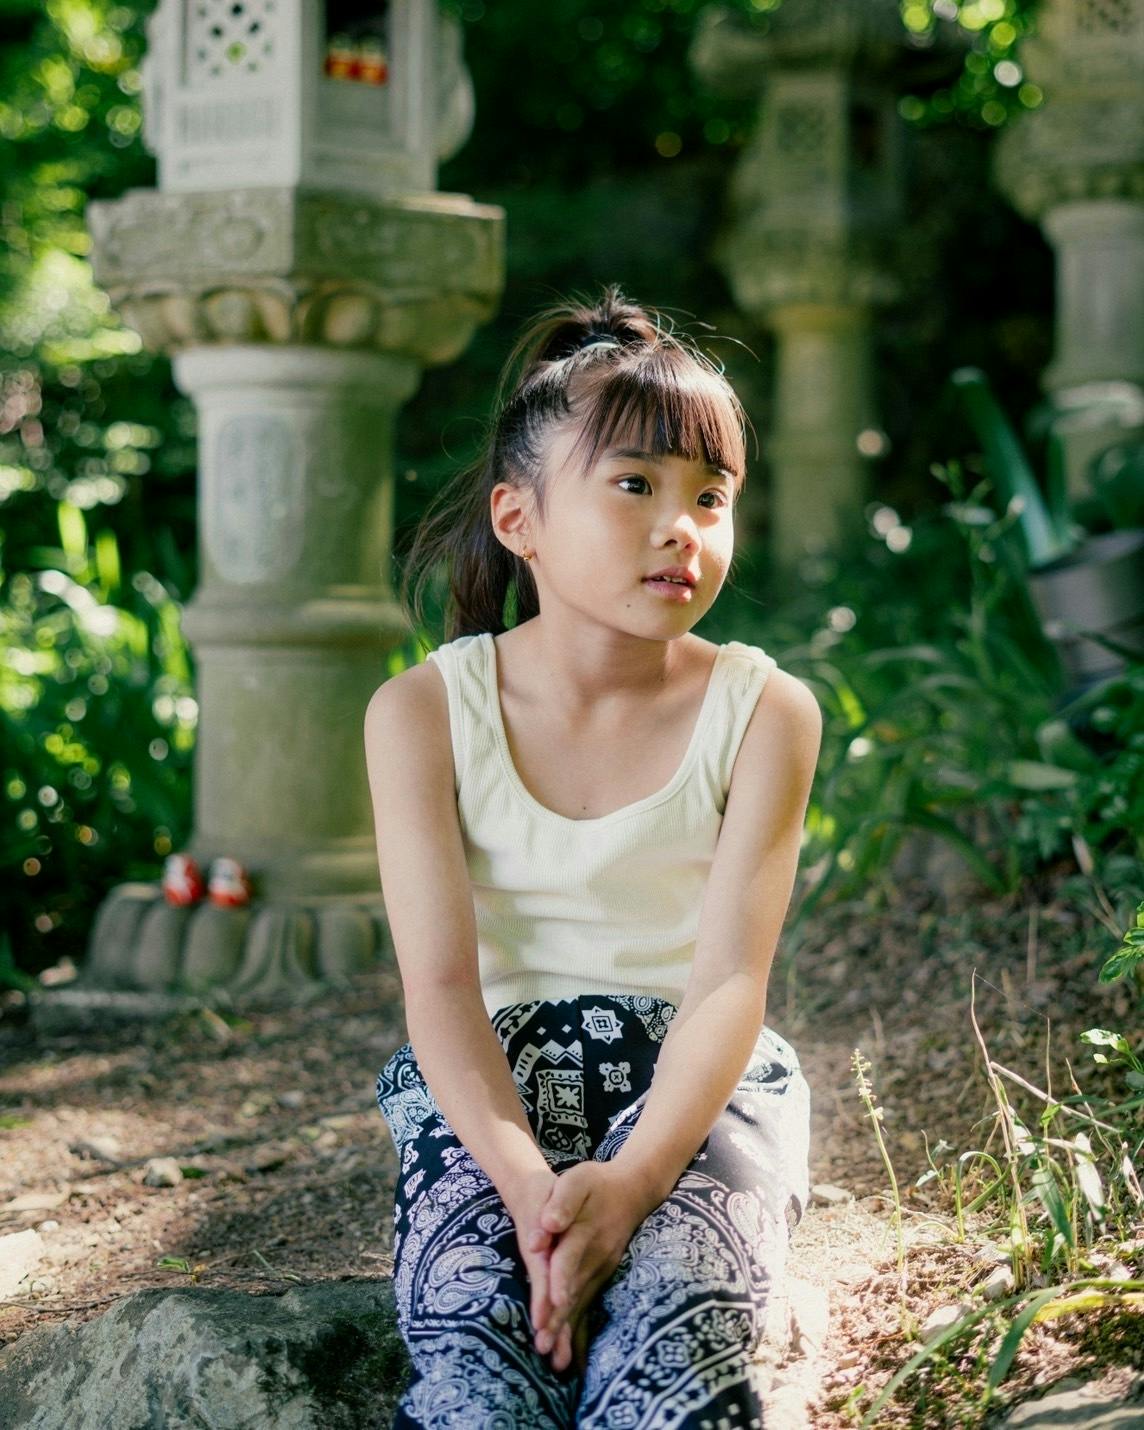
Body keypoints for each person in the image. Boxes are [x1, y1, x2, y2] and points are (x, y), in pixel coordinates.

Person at [364, 282, 822, 1428]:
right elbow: (441, 986)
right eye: (635, 485)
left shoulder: (764, 711)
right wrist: (529, 1187)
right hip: (490, 1090)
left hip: (700, 1088)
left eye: (709, 495)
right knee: (476, 1343)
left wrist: (631, 1180)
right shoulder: (423, 712)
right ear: (517, 519)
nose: (683, 527)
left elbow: (728, 983)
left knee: (677, 1332)